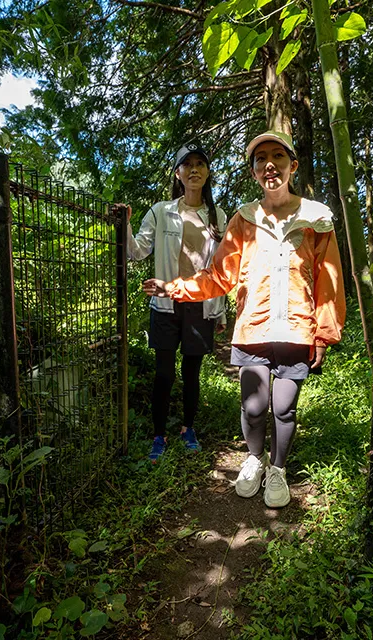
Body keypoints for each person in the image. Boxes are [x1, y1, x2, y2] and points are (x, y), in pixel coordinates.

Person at [142, 131, 346, 507]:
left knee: (283, 407)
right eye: (260, 159)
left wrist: (324, 333)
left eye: (278, 157)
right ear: (253, 172)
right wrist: (172, 288)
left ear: (292, 166)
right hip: (253, 328)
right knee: (254, 406)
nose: (270, 165)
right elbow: (219, 275)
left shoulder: (316, 219)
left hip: (298, 330)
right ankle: (254, 459)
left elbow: (329, 279)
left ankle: (278, 471)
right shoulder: (244, 219)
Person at [123, 143, 227, 463]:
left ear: (207, 173)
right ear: (178, 173)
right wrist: (124, 223)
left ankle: (188, 428)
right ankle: (159, 435)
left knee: (192, 372)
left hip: (201, 305)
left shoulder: (217, 215)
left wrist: (220, 311)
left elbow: (221, 268)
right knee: (164, 374)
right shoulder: (160, 211)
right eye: (187, 165)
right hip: (165, 305)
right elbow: (137, 251)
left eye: (200, 164)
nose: (194, 169)